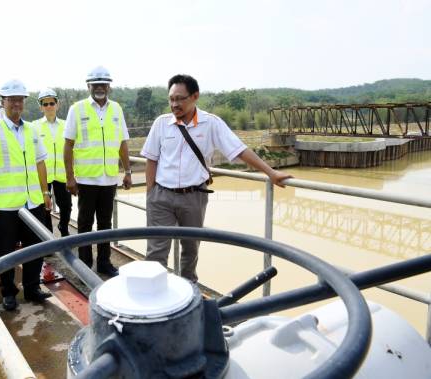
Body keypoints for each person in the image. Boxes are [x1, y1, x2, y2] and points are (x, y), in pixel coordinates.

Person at [141, 74, 293, 282]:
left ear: (195, 96)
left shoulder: (210, 123)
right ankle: (153, 295)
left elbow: (239, 150)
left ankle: (188, 294)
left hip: (193, 196)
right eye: (171, 99)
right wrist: (151, 194)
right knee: (156, 252)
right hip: (161, 197)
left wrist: (271, 172)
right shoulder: (161, 124)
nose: (174, 104)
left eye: (180, 99)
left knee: (191, 250)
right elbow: (152, 159)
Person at [0, 79, 53, 311]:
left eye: (20, 100)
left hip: (33, 202)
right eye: (12, 100)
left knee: (36, 247)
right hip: (6, 206)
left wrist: (45, 191)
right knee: (6, 252)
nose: (16, 104)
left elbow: (40, 163)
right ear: (3, 102)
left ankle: (32, 287)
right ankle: (9, 292)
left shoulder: (31, 130)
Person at [63, 66, 132, 277]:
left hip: (109, 177)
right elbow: (68, 145)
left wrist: (127, 170)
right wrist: (70, 177)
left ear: (109, 86)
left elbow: (122, 143)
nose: (100, 87)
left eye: (103, 84)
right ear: (88, 86)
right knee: (84, 222)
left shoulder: (116, 109)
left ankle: (104, 262)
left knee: (105, 223)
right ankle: (85, 263)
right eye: (96, 84)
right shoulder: (78, 109)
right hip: (86, 178)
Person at [31, 88, 71, 237]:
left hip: (62, 175)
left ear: (57, 104)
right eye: (45, 104)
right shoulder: (34, 127)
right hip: (43, 175)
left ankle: (64, 228)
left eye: (51, 103)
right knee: (44, 208)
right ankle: (48, 237)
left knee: (66, 206)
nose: (49, 107)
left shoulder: (66, 125)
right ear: (41, 106)